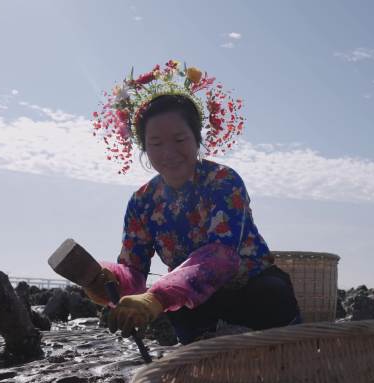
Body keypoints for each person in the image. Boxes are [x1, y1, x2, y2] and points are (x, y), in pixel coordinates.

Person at [83, 60, 301, 344]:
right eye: (156, 144)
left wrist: (157, 297)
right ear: (144, 148)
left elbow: (220, 255)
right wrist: (105, 280)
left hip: (251, 288)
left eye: (179, 139)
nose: (168, 152)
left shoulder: (223, 181)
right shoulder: (142, 202)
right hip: (192, 300)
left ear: (197, 139)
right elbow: (134, 270)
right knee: (182, 313)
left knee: (270, 293)